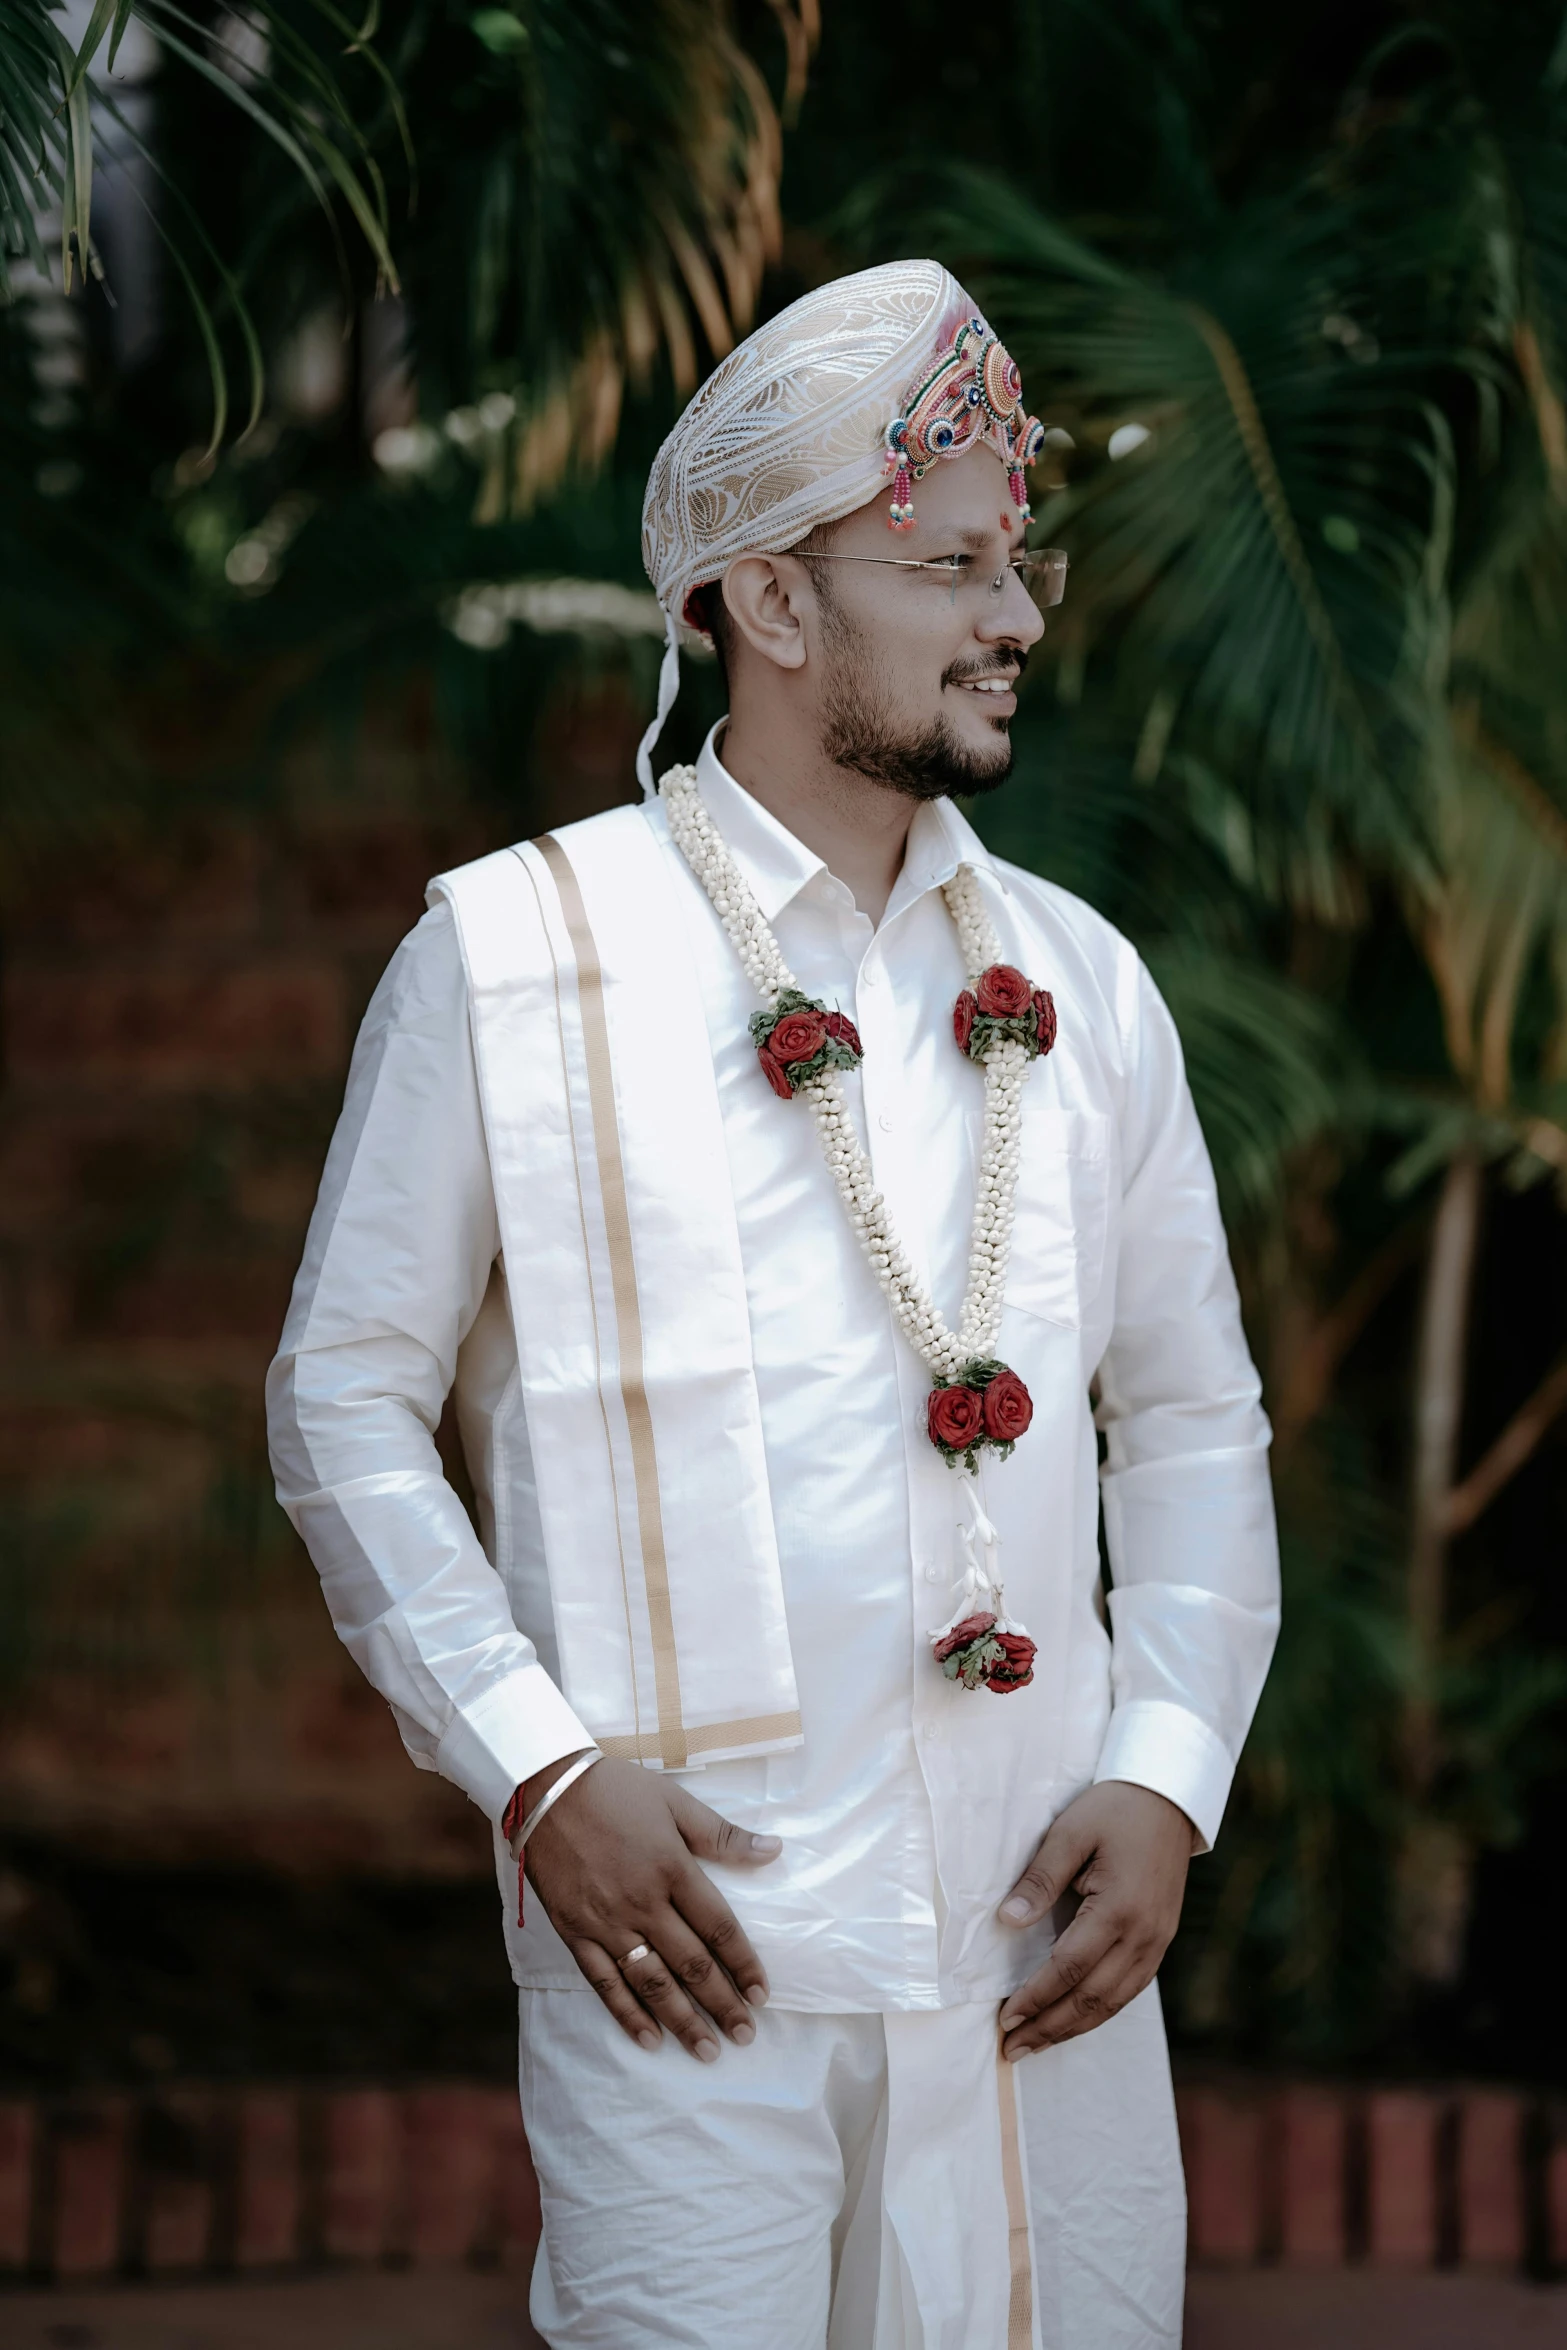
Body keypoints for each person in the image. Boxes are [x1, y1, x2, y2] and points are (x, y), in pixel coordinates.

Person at [268, 258, 1280, 2349]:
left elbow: (1187, 1418)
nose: (1018, 616)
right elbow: (342, 1396)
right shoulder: (516, 955)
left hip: (1037, 1939)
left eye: (1025, 561)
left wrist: (1169, 1769)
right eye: (957, 564)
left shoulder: (1086, 982)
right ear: (774, 599)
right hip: (694, 1945)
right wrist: (536, 1770)